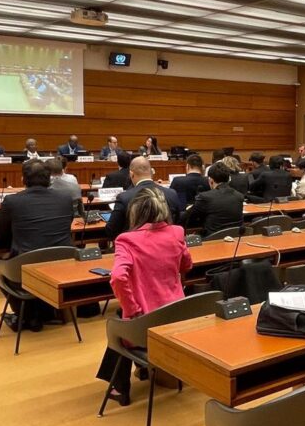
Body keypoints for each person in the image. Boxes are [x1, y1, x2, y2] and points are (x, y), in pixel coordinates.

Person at [96, 187, 193, 406]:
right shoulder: (177, 232)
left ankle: (120, 387)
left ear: (135, 213)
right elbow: (187, 265)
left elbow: (118, 278)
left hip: (145, 326)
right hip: (178, 318)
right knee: (121, 321)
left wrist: (132, 309)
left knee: (117, 326)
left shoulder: (126, 240)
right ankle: (140, 370)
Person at [0, 160, 75, 331]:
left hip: (25, 267)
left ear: (23, 179)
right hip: (62, 264)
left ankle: (27, 315)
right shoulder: (65, 199)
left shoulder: (12, 201)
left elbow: (0, 234)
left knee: (0, 267)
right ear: (49, 179)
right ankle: (44, 312)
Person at [105, 157, 181, 240]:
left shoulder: (124, 197)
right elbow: (177, 222)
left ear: (131, 174)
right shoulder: (172, 193)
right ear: (152, 172)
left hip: (134, 245)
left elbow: (111, 230)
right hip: (167, 243)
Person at [179, 163, 244, 236]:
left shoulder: (205, 197)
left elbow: (188, 217)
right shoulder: (239, 196)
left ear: (211, 180)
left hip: (212, 238)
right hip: (236, 238)